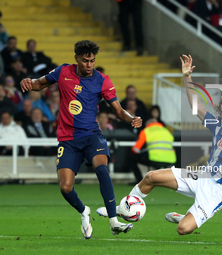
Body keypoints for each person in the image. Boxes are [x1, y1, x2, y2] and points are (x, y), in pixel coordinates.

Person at [97, 55, 222, 235]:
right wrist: (186, 76)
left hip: (219, 191)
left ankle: (185, 218)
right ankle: (123, 207)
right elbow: (196, 106)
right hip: (201, 175)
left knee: (183, 229)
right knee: (151, 176)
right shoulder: (217, 126)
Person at [20, 40, 142, 238]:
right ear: (76, 58)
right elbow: (37, 84)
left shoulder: (102, 80)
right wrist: (26, 81)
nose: (89, 65)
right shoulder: (62, 72)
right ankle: (84, 211)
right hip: (68, 140)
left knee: (102, 169)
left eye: (92, 61)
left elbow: (118, 110)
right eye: (85, 61)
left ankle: (113, 221)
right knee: (65, 187)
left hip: (92, 136)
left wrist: (132, 119)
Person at [129, 118, 176, 183]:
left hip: (153, 159)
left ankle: (139, 181)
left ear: (147, 124)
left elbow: (136, 149)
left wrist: (144, 151)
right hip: (170, 160)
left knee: (132, 158)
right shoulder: (166, 131)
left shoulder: (146, 131)